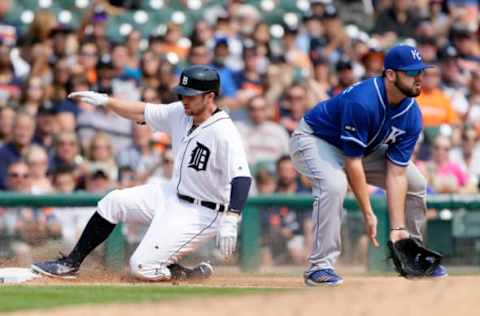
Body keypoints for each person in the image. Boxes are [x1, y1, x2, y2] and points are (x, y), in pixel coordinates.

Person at [32, 65, 252, 282]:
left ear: (209, 96)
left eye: (191, 95)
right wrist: (106, 101)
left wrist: (231, 218)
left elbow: (242, 177)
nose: (185, 99)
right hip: (172, 194)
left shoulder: (224, 132)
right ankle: (70, 263)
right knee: (113, 201)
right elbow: (141, 110)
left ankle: (183, 273)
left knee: (141, 268)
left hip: (202, 212)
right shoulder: (181, 112)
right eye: (182, 93)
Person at [289, 44, 448, 286]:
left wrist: (396, 227)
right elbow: (352, 162)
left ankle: (413, 252)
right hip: (315, 139)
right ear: (391, 75)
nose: (419, 78)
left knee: (416, 183)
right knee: (334, 185)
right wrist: (368, 213)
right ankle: (319, 266)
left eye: (421, 71)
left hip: (364, 149)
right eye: (412, 72)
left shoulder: (412, 114)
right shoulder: (363, 101)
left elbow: (397, 174)